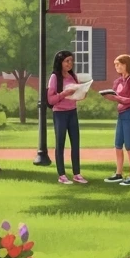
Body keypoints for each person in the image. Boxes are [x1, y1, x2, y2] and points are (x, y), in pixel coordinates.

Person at [47, 49, 87, 185]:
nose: (70, 64)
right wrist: (64, 93)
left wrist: (82, 93)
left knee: (75, 143)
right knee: (60, 143)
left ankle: (77, 174)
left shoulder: (73, 76)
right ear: (60, 62)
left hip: (72, 112)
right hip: (60, 114)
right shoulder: (54, 78)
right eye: (67, 61)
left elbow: (76, 95)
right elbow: (51, 100)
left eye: (71, 61)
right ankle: (62, 175)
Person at [104, 53, 130, 187]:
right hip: (121, 114)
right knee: (118, 145)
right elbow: (116, 95)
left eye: (119, 64)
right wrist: (109, 96)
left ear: (127, 64)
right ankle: (118, 173)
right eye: (115, 65)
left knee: (129, 146)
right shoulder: (119, 81)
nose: (117, 67)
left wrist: (116, 98)